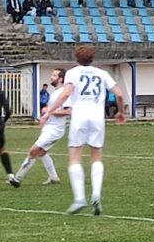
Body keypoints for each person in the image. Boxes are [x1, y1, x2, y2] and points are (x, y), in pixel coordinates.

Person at [39, 45, 126, 215]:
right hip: (97, 117)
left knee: (75, 157)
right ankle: (96, 194)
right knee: (96, 156)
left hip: (79, 116)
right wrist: (121, 112)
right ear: (92, 58)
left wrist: (49, 111)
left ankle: (79, 198)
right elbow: (119, 94)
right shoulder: (102, 73)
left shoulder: (73, 73)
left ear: (76, 57)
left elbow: (66, 94)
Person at [16, 68, 70, 185]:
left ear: (61, 79)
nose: (51, 77)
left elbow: (68, 111)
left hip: (55, 129)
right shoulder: (56, 92)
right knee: (41, 153)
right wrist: (45, 116)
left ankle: (17, 178)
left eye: (54, 75)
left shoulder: (64, 93)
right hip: (49, 127)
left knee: (33, 150)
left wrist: (49, 111)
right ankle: (54, 178)